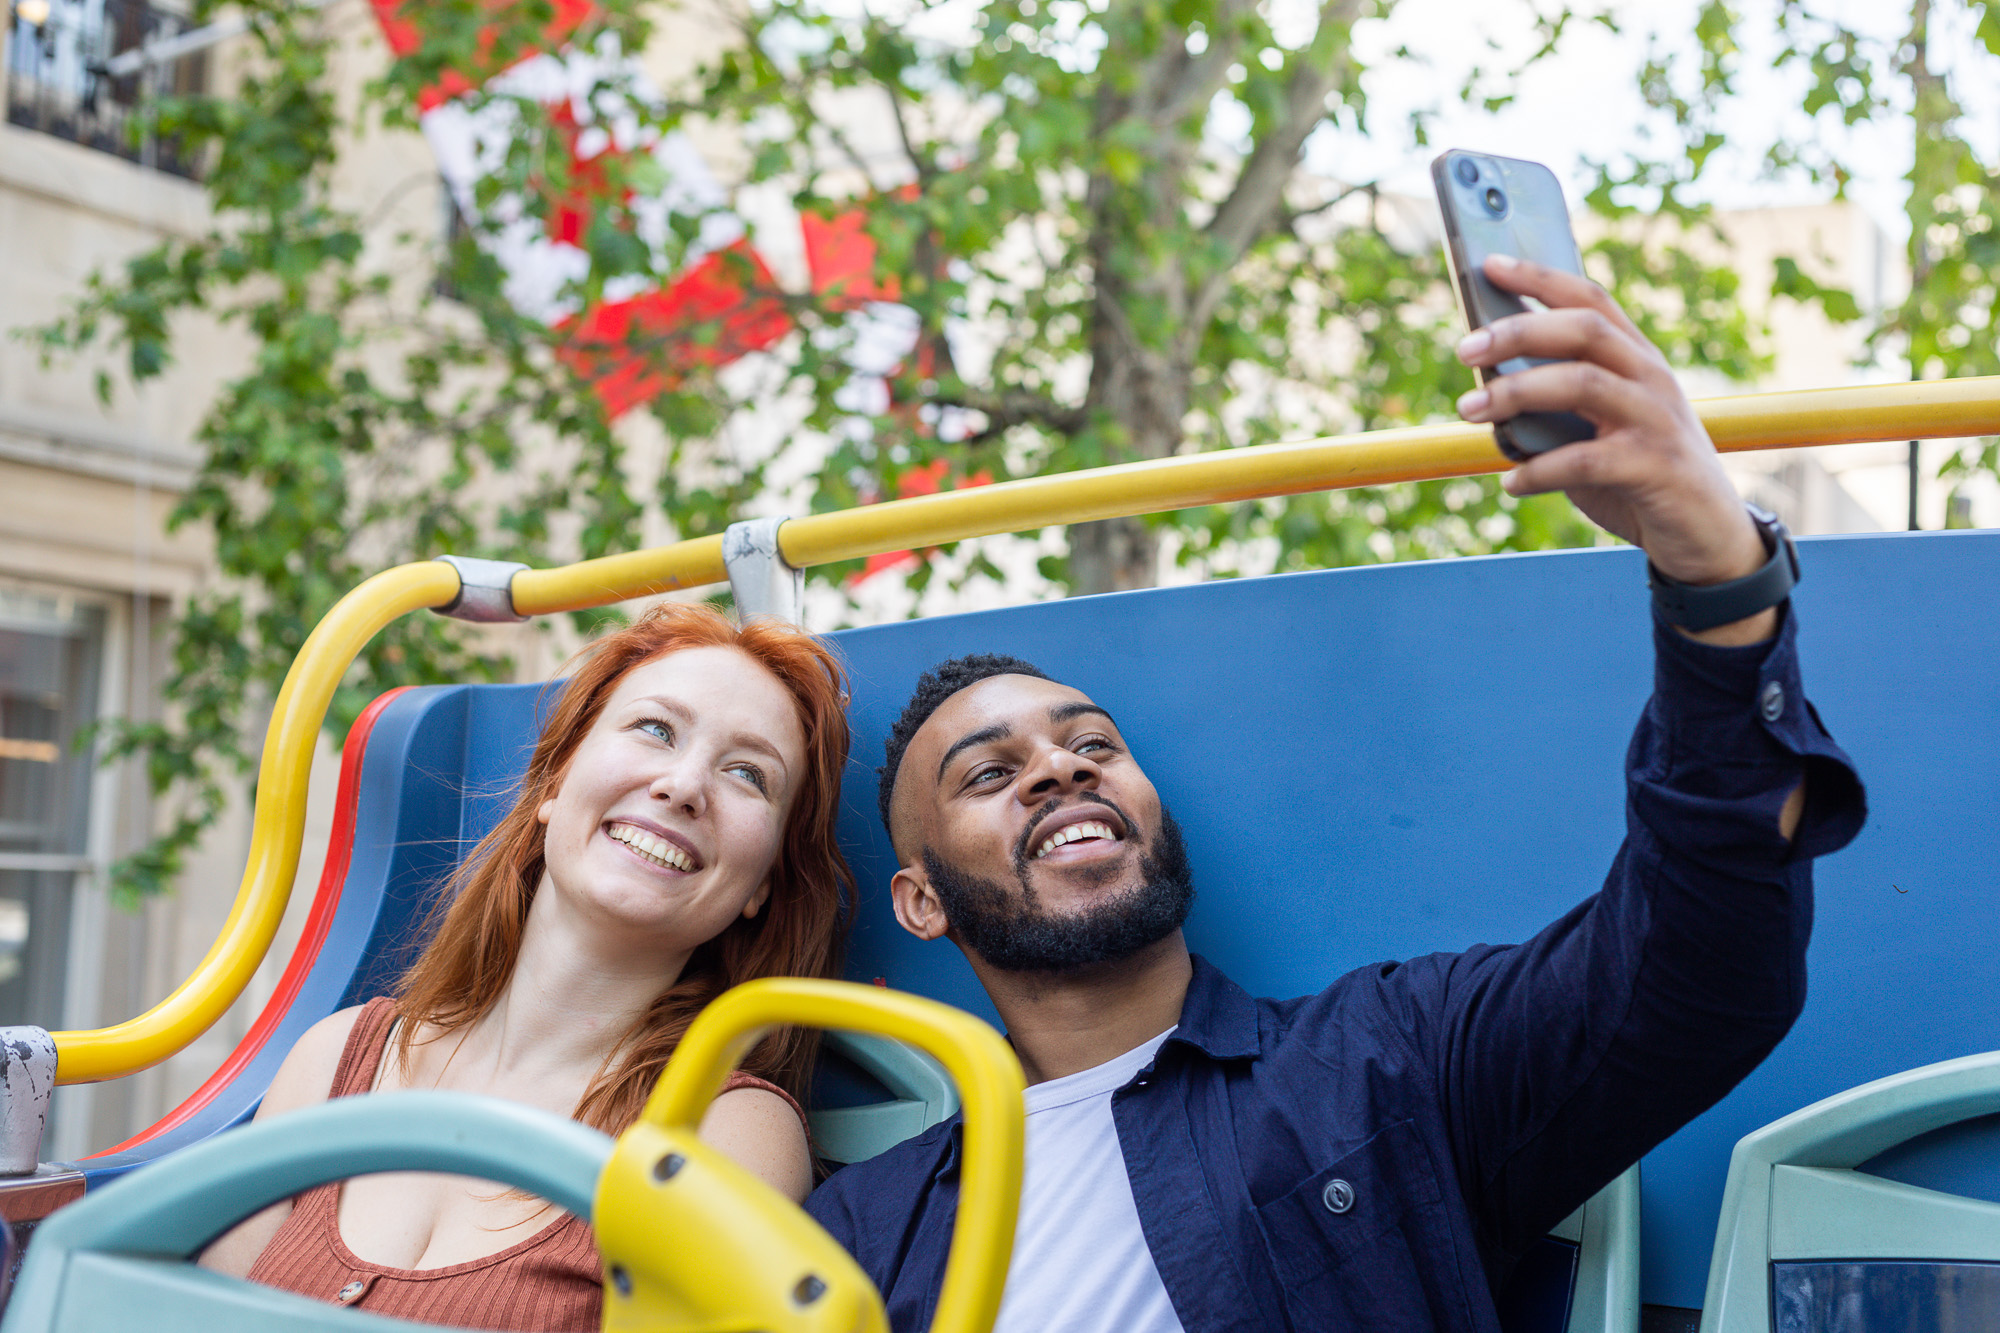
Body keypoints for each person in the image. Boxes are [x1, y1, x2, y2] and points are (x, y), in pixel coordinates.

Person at [805, 255, 1868, 1332]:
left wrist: (1713, 571)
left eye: (1092, 742)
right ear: (920, 902)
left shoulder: (1382, 1059)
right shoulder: (860, 1224)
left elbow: (1697, 968)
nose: (1060, 767)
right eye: (990, 773)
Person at [200, 602, 855, 1331]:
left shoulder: (723, 1130)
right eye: (656, 728)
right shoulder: (334, 1060)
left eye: (747, 773)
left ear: (763, 884)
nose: (683, 785)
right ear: (554, 781)